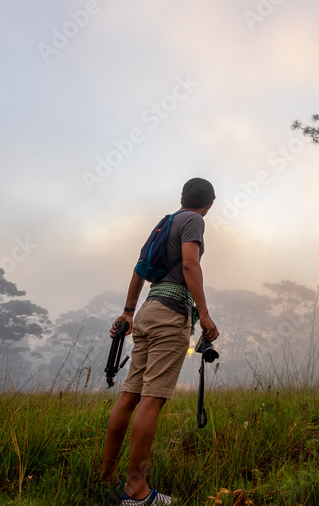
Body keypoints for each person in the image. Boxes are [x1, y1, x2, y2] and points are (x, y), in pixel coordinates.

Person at [100, 178, 221, 506]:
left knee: (129, 397)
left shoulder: (165, 223)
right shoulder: (194, 220)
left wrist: (128, 311)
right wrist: (206, 316)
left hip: (147, 311)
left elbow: (140, 268)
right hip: (170, 316)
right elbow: (189, 263)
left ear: (182, 197)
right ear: (209, 204)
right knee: (151, 401)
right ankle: (136, 492)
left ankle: (106, 479)